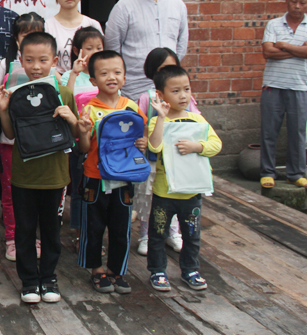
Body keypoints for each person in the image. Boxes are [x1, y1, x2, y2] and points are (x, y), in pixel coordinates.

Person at [0, 32, 79, 304]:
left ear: (54, 61)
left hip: (55, 177)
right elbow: (10, 134)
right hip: (24, 176)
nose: (36, 66)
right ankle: (29, 281)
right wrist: (4, 109)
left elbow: (76, 134)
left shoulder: (64, 94)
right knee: (25, 231)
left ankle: (49, 278)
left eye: (43, 60)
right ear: (20, 61)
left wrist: (72, 119)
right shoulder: (16, 95)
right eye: (29, 60)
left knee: (52, 231)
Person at [76, 50, 148, 294]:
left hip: (124, 177)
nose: (112, 77)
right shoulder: (89, 109)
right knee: (93, 226)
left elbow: (141, 135)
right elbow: (84, 148)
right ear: (93, 80)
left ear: (125, 77)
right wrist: (83, 131)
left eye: (117, 72)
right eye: (104, 73)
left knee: (121, 228)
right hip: (95, 176)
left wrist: (143, 143)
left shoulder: (132, 107)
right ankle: (96, 270)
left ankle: (117, 271)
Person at [147, 65, 222, 291]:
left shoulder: (197, 120)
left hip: (191, 190)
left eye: (187, 89)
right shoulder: (157, 121)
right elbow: (154, 146)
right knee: (158, 233)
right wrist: (161, 117)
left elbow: (216, 144)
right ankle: (158, 271)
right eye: (176, 91)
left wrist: (197, 146)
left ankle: (190, 270)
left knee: (191, 234)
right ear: (160, 94)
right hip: (165, 191)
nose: (183, 95)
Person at [0, 13, 45, 261]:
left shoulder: (48, 67)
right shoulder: (5, 63)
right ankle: (12, 238)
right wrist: (2, 100)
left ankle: (34, 237)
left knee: (38, 192)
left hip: (41, 142)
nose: (31, 38)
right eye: (25, 34)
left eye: (36, 33)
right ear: (16, 38)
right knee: (10, 192)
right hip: (10, 140)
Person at [134, 48, 201, 256]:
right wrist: (144, 138)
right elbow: (140, 123)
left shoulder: (185, 98)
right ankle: (145, 233)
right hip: (154, 157)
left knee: (176, 192)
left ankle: (173, 231)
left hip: (178, 157)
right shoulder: (147, 97)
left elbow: (197, 123)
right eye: (163, 69)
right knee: (150, 196)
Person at [104, 0, 188, 101]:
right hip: (134, 87)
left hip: (170, 86)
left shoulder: (178, 5)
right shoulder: (124, 6)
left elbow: (181, 45)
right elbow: (112, 47)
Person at [260, 0, 307, 190]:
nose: (297, 6)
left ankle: (295, 174)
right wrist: (300, 49)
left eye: (302, 3)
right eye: (294, 1)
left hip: (300, 86)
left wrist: (284, 45)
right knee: (269, 132)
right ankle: (267, 172)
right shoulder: (274, 24)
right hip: (273, 85)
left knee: (298, 133)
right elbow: (268, 52)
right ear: (287, 1)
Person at [60, 26, 104, 253]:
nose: (95, 52)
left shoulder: (105, 75)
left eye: (99, 48)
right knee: (79, 189)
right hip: (79, 142)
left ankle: (96, 234)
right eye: (89, 48)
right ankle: (79, 234)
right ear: (77, 50)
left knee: (100, 190)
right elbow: (66, 100)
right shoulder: (69, 75)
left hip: (102, 143)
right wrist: (74, 74)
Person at [45, 0, 103, 74]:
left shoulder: (92, 24)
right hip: (58, 80)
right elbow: (44, 60)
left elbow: (102, 58)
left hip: (88, 80)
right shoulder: (47, 26)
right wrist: (64, 81)